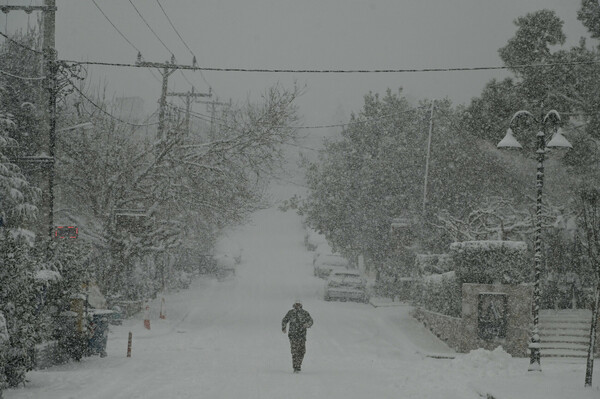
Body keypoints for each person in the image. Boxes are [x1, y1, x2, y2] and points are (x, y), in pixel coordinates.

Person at [281, 300, 313, 373]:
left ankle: (299, 364)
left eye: (299, 304)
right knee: (294, 351)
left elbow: (311, 321)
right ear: (294, 305)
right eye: (296, 304)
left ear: (301, 305)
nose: (297, 306)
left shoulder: (305, 313)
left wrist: (307, 325)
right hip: (293, 335)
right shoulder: (291, 313)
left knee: (302, 351)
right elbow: (285, 320)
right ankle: (296, 367)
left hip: (302, 335)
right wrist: (284, 327)